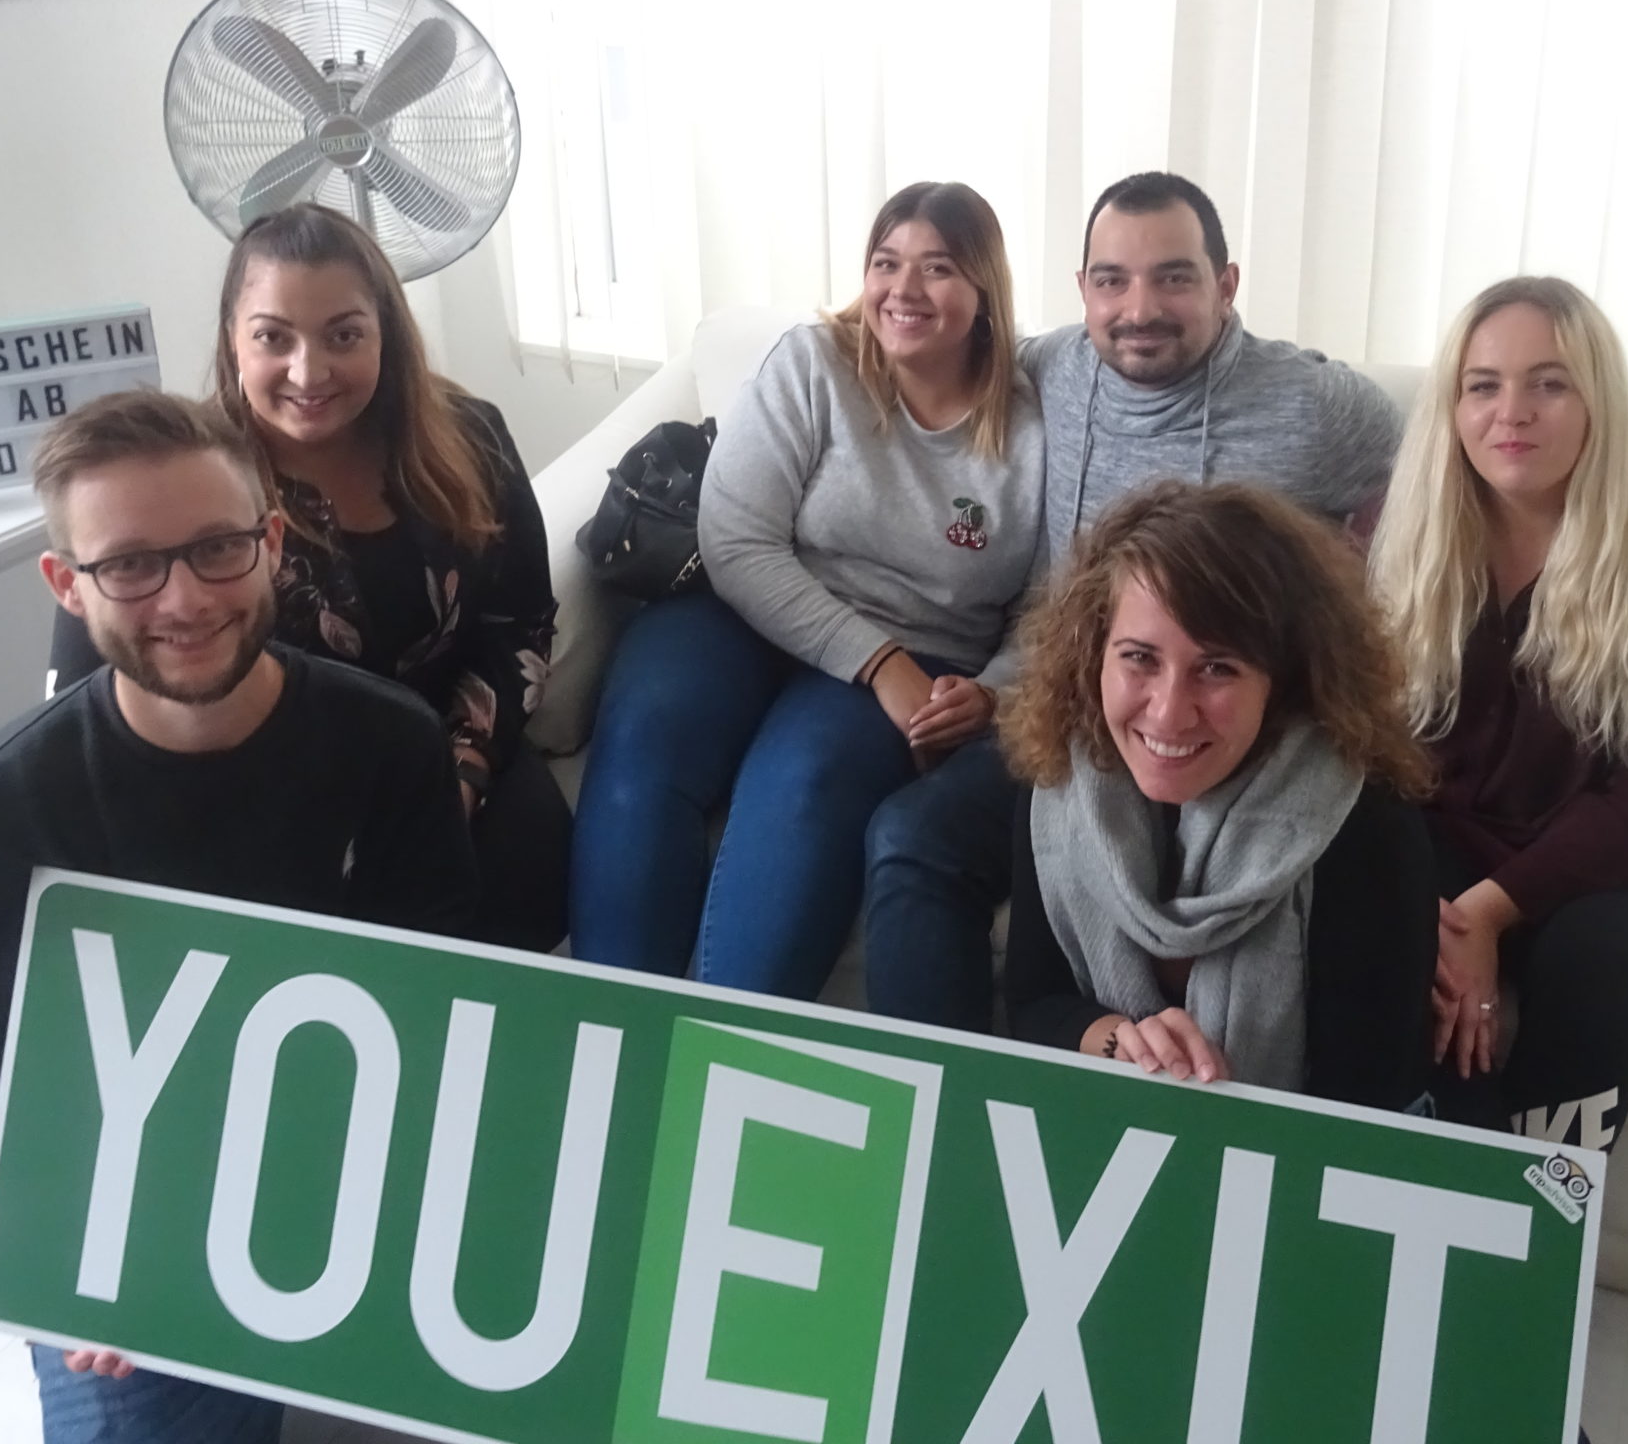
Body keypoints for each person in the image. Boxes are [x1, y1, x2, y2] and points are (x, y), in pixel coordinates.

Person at [0, 390, 474, 1444]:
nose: (184, 598)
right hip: (144, 1207)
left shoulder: (390, 743)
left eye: (217, 547)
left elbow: (439, 989)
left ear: (271, 545)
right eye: (129, 564)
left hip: (359, 1160)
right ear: (66, 586)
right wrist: (76, 1234)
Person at [864, 170, 1405, 1031]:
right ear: (1082, 290)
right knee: (912, 839)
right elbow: (924, 360)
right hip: (1070, 712)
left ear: (1226, 285)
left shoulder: (1317, 408)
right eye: (1112, 281)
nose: (1139, 308)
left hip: (1229, 726)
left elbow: (1441, 488)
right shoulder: (1048, 370)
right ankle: (937, 1099)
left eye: (1174, 278)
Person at [47, 205, 567, 952]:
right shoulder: (184, 478)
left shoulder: (470, 435)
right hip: (252, 780)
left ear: (386, 333)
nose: (308, 371)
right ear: (232, 338)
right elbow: (89, 690)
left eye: (343, 335)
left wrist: (458, 771)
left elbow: (520, 623)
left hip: (446, 749)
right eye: (273, 337)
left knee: (527, 869)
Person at [570, 181, 1044, 997]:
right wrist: (877, 662)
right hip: (749, 609)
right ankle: (607, 1028)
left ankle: (724, 1049)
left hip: (925, 645)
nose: (903, 289)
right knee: (648, 730)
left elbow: (1053, 603)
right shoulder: (815, 362)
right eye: (886, 263)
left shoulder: (1036, 424)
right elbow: (734, 538)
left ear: (984, 290)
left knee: (803, 787)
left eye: (937, 268)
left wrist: (993, 692)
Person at [1369, 275, 1628, 1152]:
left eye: (1550, 383)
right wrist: (1448, 919)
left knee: (1598, 968)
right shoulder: (1394, 527)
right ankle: (1425, 1179)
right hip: (1433, 830)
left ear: (1597, 402)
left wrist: (1488, 914)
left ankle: (1547, 1211)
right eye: (1483, 385)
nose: (1513, 412)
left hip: (1605, 850)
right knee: (1385, 934)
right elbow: (1361, 737)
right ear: (1452, 405)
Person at [1000, 482, 1437, 1107]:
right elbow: (1035, 1002)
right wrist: (1122, 1043)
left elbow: (1368, 1097)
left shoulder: (1369, 825)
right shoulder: (1061, 782)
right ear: (1093, 654)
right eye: (1139, 658)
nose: (1168, 713)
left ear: (1283, 681)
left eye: (1217, 669)